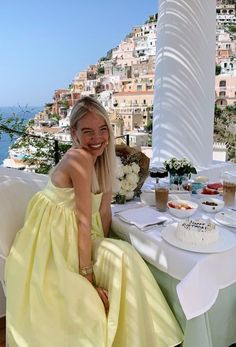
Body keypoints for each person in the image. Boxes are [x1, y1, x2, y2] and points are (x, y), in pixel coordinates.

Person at [5, 96, 183, 347]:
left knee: (122, 254)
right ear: (74, 133)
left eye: (103, 130)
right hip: (51, 240)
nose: (97, 138)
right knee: (123, 256)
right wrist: (89, 278)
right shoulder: (80, 159)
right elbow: (83, 222)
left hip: (75, 231)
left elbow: (104, 212)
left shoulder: (103, 160)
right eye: (87, 131)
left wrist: (104, 245)